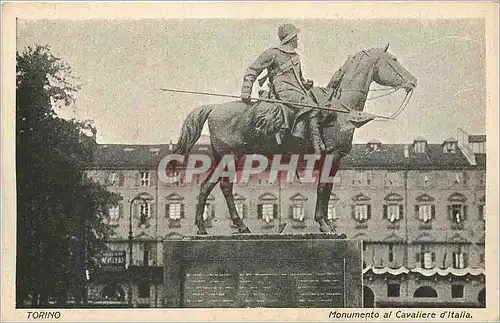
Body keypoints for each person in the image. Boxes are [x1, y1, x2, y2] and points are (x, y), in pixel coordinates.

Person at [241, 23, 326, 154]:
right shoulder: (273, 53)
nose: (297, 39)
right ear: (291, 38)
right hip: (282, 90)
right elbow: (253, 70)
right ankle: (316, 143)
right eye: (296, 37)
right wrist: (246, 90)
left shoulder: (295, 57)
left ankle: (300, 134)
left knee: (318, 101)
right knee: (310, 105)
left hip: (297, 90)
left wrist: (306, 84)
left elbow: (298, 79)